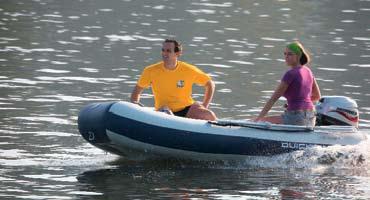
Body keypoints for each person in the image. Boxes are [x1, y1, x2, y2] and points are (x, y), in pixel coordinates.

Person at [130, 39, 217, 121]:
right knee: (166, 112)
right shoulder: (150, 70)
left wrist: (205, 105)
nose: (164, 53)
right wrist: (136, 105)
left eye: (168, 51)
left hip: (187, 108)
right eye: (163, 50)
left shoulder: (189, 70)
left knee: (209, 115)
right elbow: (137, 90)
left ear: (178, 53)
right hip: (164, 110)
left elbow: (210, 84)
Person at [254, 41, 321, 126]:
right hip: (311, 116)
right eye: (285, 54)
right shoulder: (308, 71)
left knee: (260, 121)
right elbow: (317, 96)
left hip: (296, 117)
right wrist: (297, 102)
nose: (286, 57)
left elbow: (273, 99)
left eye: (290, 54)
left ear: (298, 55)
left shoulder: (290, 74)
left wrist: (258, 119)